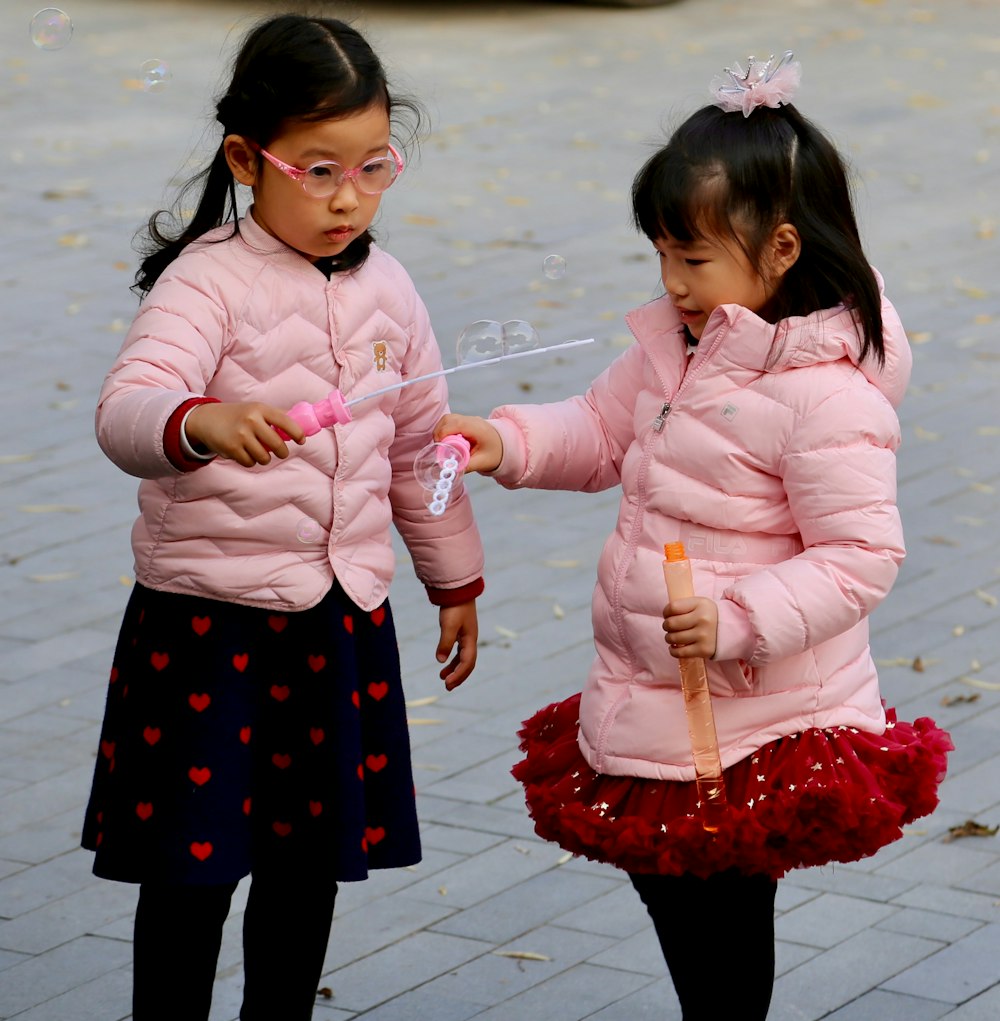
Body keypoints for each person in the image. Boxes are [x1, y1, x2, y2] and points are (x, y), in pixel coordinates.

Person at [436, 51, 951, 1020]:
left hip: (753, 709)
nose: (670, 283)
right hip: (660, 694)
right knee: (682, 898)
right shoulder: (675, 352)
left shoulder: (823, 396)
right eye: (662, 256)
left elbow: (861, 555)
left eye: (694, 259)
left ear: (783, 251)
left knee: (717, 912)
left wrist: (739, 617)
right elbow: (594, 429)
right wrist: (504, 440)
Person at [81, 14, 484, 1021]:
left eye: (373, 166)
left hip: (336, 625)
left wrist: (453, 577)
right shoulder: (207, 279)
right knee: (191, 871)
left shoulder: (391, 288)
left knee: (307, 869)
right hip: (209, 630)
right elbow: (125, 412)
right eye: (317, 169)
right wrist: (199, 421)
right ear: (245, 159)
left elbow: (418, 447)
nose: (348, 196)